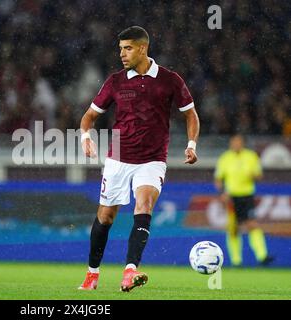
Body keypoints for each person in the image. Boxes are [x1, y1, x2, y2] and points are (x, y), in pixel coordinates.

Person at [78, 26, 200, 292]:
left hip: (153, 158)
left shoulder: (169, 79)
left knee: (144, 206)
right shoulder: (115, 81)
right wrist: (85, 137)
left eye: (128, 48)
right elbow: (88, 117)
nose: (122, 53)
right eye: (120, 48)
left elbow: (190, 114)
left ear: (143, 48)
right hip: (119, 156)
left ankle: (129, 271)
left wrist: (191, 144)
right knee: (106, 217)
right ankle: (92, 274)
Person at [214, 134, 274, 267]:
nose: (235, 144)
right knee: (233, 228)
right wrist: (222, 193)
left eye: (238, 142)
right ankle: (236, 261)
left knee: (252, 224)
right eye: (233, 142)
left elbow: (259, 175)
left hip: (247, 196)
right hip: (231, 197)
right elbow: (218, 179)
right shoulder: (225, 158)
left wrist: (253, 175)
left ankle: (262, 256)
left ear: (242, 143)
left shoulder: (251, 156)